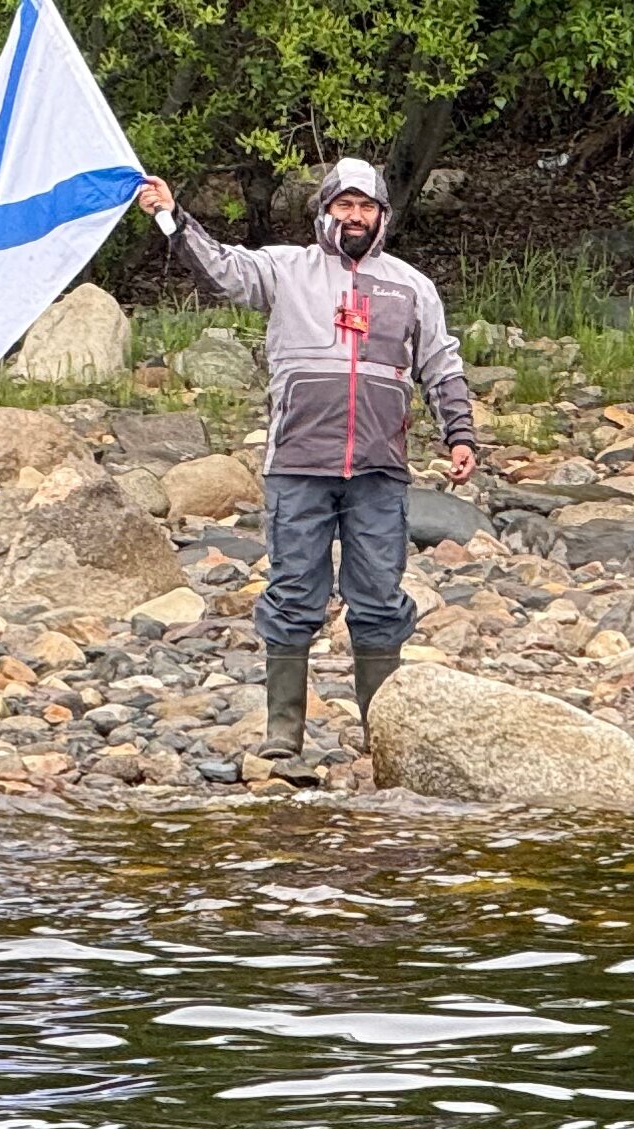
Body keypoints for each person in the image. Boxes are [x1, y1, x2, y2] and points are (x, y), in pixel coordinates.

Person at [131, 158, 478, 777]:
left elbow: (441, 366)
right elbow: (223, 271)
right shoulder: (285, 269)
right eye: (343, 205)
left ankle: (381, 734)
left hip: (378, 467)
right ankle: (283, 734)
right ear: (323, 211)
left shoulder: (410, 286)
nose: (354, 216)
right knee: (294, 594)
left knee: (379, 598)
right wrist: (170, 216)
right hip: (297, 464)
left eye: (366, 206)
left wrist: (460, 434)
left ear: (382, 216)